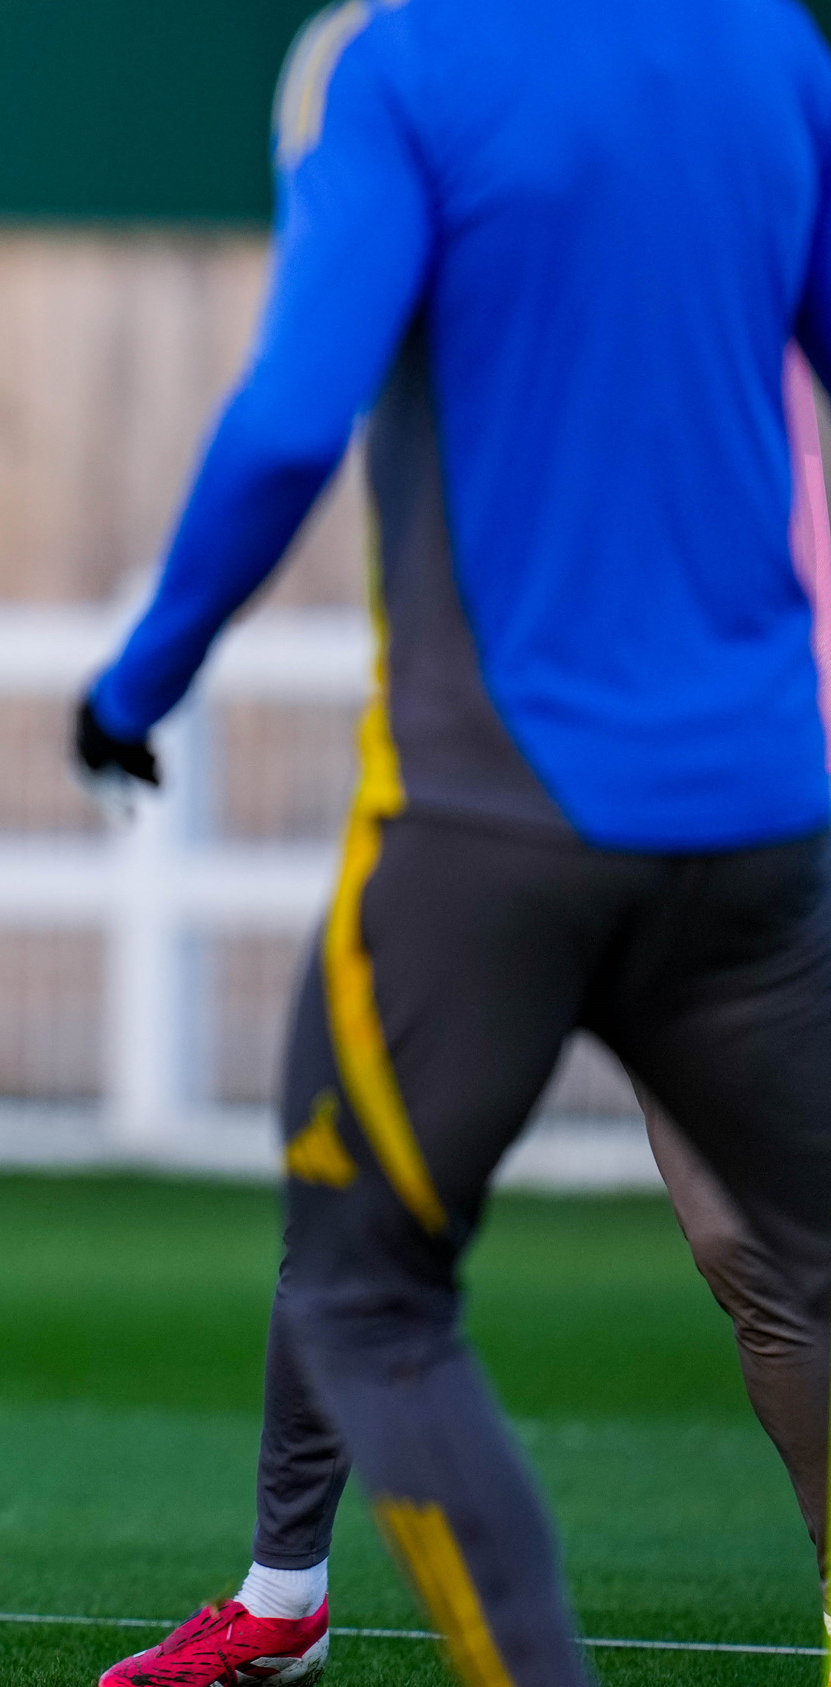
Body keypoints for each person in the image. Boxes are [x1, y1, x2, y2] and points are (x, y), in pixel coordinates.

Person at [70, 3, 831, 1684]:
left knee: (363, 1273)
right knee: (798, 1269)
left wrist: (144, 676)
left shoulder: (395, 66)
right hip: (764, 814)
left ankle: (373, 1630)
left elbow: (289, 421)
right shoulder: (774, 50)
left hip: (505, 822)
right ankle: (280, 1599)